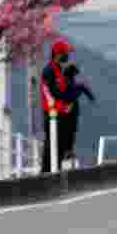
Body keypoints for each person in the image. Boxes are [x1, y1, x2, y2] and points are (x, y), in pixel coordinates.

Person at [40, 39, 77, 173]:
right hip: (51, 114)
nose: (68, 56)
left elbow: (61, 91)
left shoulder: (58, 70)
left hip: (59, 113)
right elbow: (50, 93)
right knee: (51, 145)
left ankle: (56, 171)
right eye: (66, 53)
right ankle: (46, 174)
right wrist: (63, 107)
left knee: (60, 145)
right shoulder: (48, 71)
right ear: (58, 54)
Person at [61, 63, 95, 168]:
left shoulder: (66, 83)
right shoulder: (70, 84)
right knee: (70, 131)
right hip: (69, 110)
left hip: (67, 110)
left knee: (69, 131)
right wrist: (88, 94)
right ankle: (67, 151)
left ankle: (67, 151)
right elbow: (78, 88)